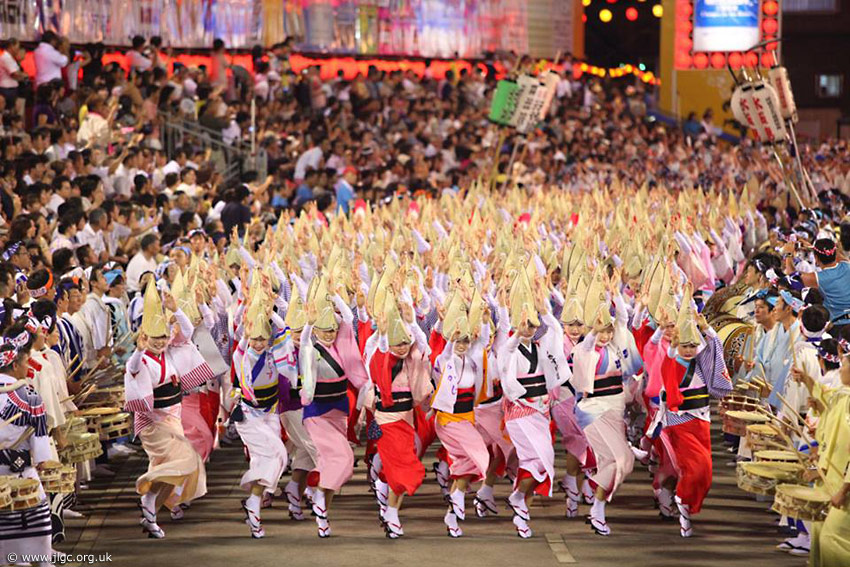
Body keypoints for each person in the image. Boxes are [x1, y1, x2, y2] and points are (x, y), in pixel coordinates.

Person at [123, 279, 210, 538]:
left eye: (163, 337)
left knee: (174, 471)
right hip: (153, 422)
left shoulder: (169, 353)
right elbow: (133, 368)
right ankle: (146, 491)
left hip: (173, 418)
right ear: (144, 337)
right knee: (186, 458)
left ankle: (151, 510)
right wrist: (139, 351)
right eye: (155, 338)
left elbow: (186, 331)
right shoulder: (142, 359)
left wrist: (175, 308)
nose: (161, 341)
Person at [298, 275, 369, 538]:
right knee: (343, 459)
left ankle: (322, 513)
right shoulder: (311, 349)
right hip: (317, 412)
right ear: (315, 330)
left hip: (339, 409)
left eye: (331, 330)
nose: (329, 334)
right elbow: (305, 344)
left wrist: (334, 294)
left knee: (333, 463)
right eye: (323, 330)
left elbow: (349, 320)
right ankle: (318, 499)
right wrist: (308, 324)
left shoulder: (340, 343)